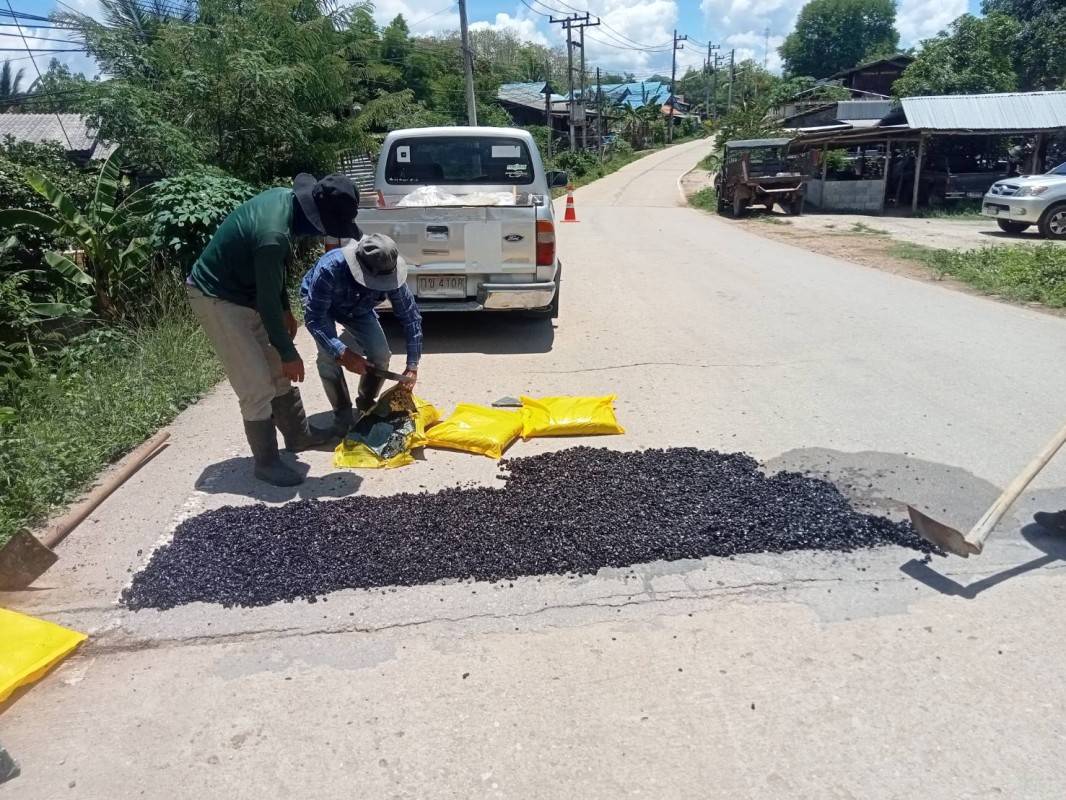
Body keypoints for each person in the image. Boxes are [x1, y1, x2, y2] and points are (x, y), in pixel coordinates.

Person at [186, 173, 362, 487]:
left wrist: (283, 309)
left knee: (279, 373)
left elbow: (274, 273)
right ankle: (266, 463)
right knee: (255, 382)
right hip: (218, 297)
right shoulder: (272, 233)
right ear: (315, 216)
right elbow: (266, 294)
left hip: (249, 291)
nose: (325, 234)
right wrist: (287, 350)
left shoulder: (285, 203)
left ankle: (299, 437)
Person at [300, 233, 422, 435]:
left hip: (359, 308)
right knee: (328, 357)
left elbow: (411, 318)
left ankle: (366, 403)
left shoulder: (390, 272)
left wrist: (412, 366)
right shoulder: (329, 268)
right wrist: (343, 353)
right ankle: (343, 416)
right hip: (322, 309)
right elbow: (315, 319)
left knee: (381, 355)